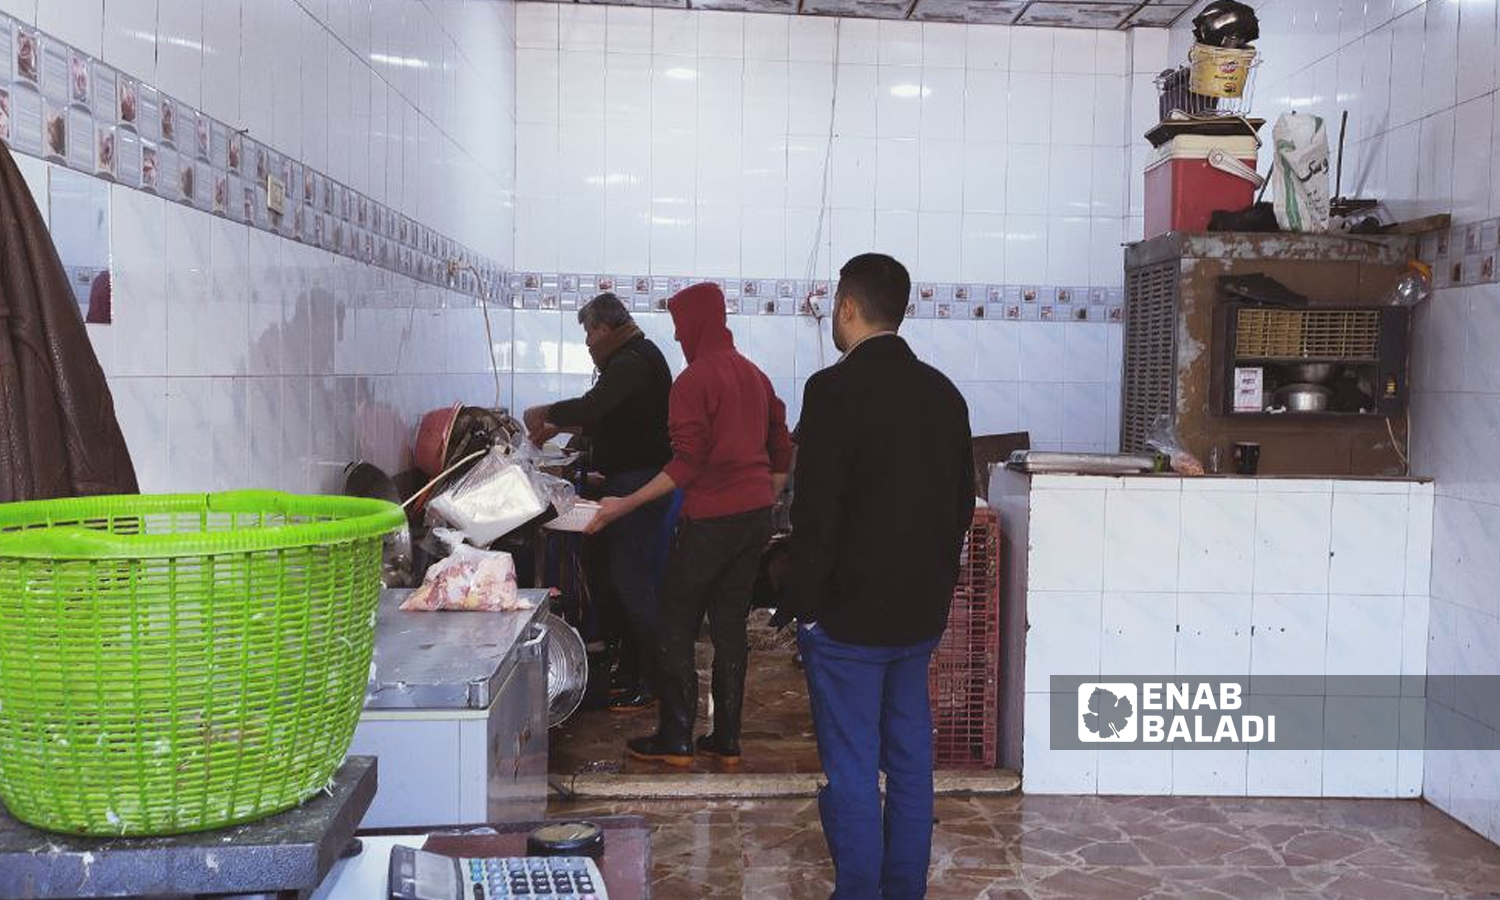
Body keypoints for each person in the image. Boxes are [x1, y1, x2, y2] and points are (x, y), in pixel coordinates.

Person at [784, 253, 974, 899]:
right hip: (918, 616)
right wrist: (936, 593)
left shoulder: (831, 390)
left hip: (847, 619)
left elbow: (815, 513)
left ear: (847, 305)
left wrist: (806, 608)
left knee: (853, 769)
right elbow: (958, 508)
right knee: (912, 765)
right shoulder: (944, 392)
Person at [587, 282, 794, 767]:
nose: (678, 336)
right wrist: (763, 495)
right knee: (728, 626)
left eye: (681, 325)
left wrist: (622, 505)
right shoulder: (753, 374)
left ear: (697, 323)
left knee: (674, 622)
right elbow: (781, 446)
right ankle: (726, 740)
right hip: (751, 522)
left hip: (710, 521)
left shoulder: (695, 381)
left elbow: (686, 465)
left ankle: (676, 737)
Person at [524, 292, 673, 711]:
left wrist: (546, 411)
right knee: (604, 571)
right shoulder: (630, 358)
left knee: (629, 579)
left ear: (606, 329)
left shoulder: (632, 360)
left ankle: (652, 678)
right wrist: (557, 428)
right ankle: (625, 664)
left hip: (640, 485)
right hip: (625, 480)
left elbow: (595, 405)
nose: (588, 342)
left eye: (590, 333)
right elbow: (607, 417)